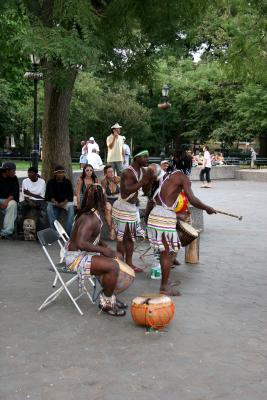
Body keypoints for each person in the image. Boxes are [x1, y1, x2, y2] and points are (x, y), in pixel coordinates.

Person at [147, 170, 216, 296]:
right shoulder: (183, 177)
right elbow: (193, 200)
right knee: (166, 254)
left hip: (156, 214)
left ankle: (165, 281)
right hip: (163, 217)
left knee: (165, 252)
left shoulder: (167, 176)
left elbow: (154, 199)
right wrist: (207, 208)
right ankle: (164, 286)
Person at [64, 184, 127, 316]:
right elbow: (81, 242)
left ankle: (110, 295)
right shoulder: (89, 218)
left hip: (83, 253)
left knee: (118, 257)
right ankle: (106, 302)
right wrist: (103, 250)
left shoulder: (93, 213)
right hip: (75, 259)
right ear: (101, 200)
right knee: (113, 266)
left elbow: (92, 237)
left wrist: (103, 245)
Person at [112, 150, 153, 272]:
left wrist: (149, 179)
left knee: (130, 238)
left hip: (132, 208)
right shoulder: (127, 172)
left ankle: (129, 263)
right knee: (122, 237)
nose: (147, 159)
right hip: (123, 207)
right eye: (144, 156)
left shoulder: (143, 171)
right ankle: (120, 263)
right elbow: (125, 192)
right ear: (136, 158)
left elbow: (146, 191)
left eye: (147, 157)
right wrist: (142, 181)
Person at [45, 165, 75, 236]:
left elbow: (70, 195)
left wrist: (64, 203)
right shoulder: (50, 182)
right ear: (55, 173)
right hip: (54, 202)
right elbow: (48, 195)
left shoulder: (67, 182)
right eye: (59, 172)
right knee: (49, 207)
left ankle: (68, 232)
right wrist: (54, 201)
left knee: (71, 208)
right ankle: (54, 231)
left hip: (65, 202)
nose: (61, 174)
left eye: (62, 172)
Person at [17, 167, 46, 234]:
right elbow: (25, 195)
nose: (29, 174)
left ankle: (40, 232)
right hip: (28, 200)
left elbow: (42, 197)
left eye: (31, 173)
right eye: (28, 172)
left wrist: (30, 194)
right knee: (19, 207)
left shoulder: (42, 182)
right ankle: (20, 230)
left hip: (39, 201)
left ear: (36, 174)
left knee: (43, 211)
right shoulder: (25, 181)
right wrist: (30, 201)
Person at [0, 162, 19, 239]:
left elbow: (14, 192)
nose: (15, 172)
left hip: (7, 200)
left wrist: (6, 202)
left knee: (13, 204)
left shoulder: (14, 178)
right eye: (13, 170)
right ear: (7, 171)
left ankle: (5, 232)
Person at [101, 165, 121, 240]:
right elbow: (103, 194)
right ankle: (111, 229)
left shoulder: (118, 179)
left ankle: (111, 231)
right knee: (108, 209)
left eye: (112, 171)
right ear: (105, 173)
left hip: (118, 199)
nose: (111, 173)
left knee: (115, 210)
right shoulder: (104, 181)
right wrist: (106, 202)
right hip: (108, 199)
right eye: (109, 172)